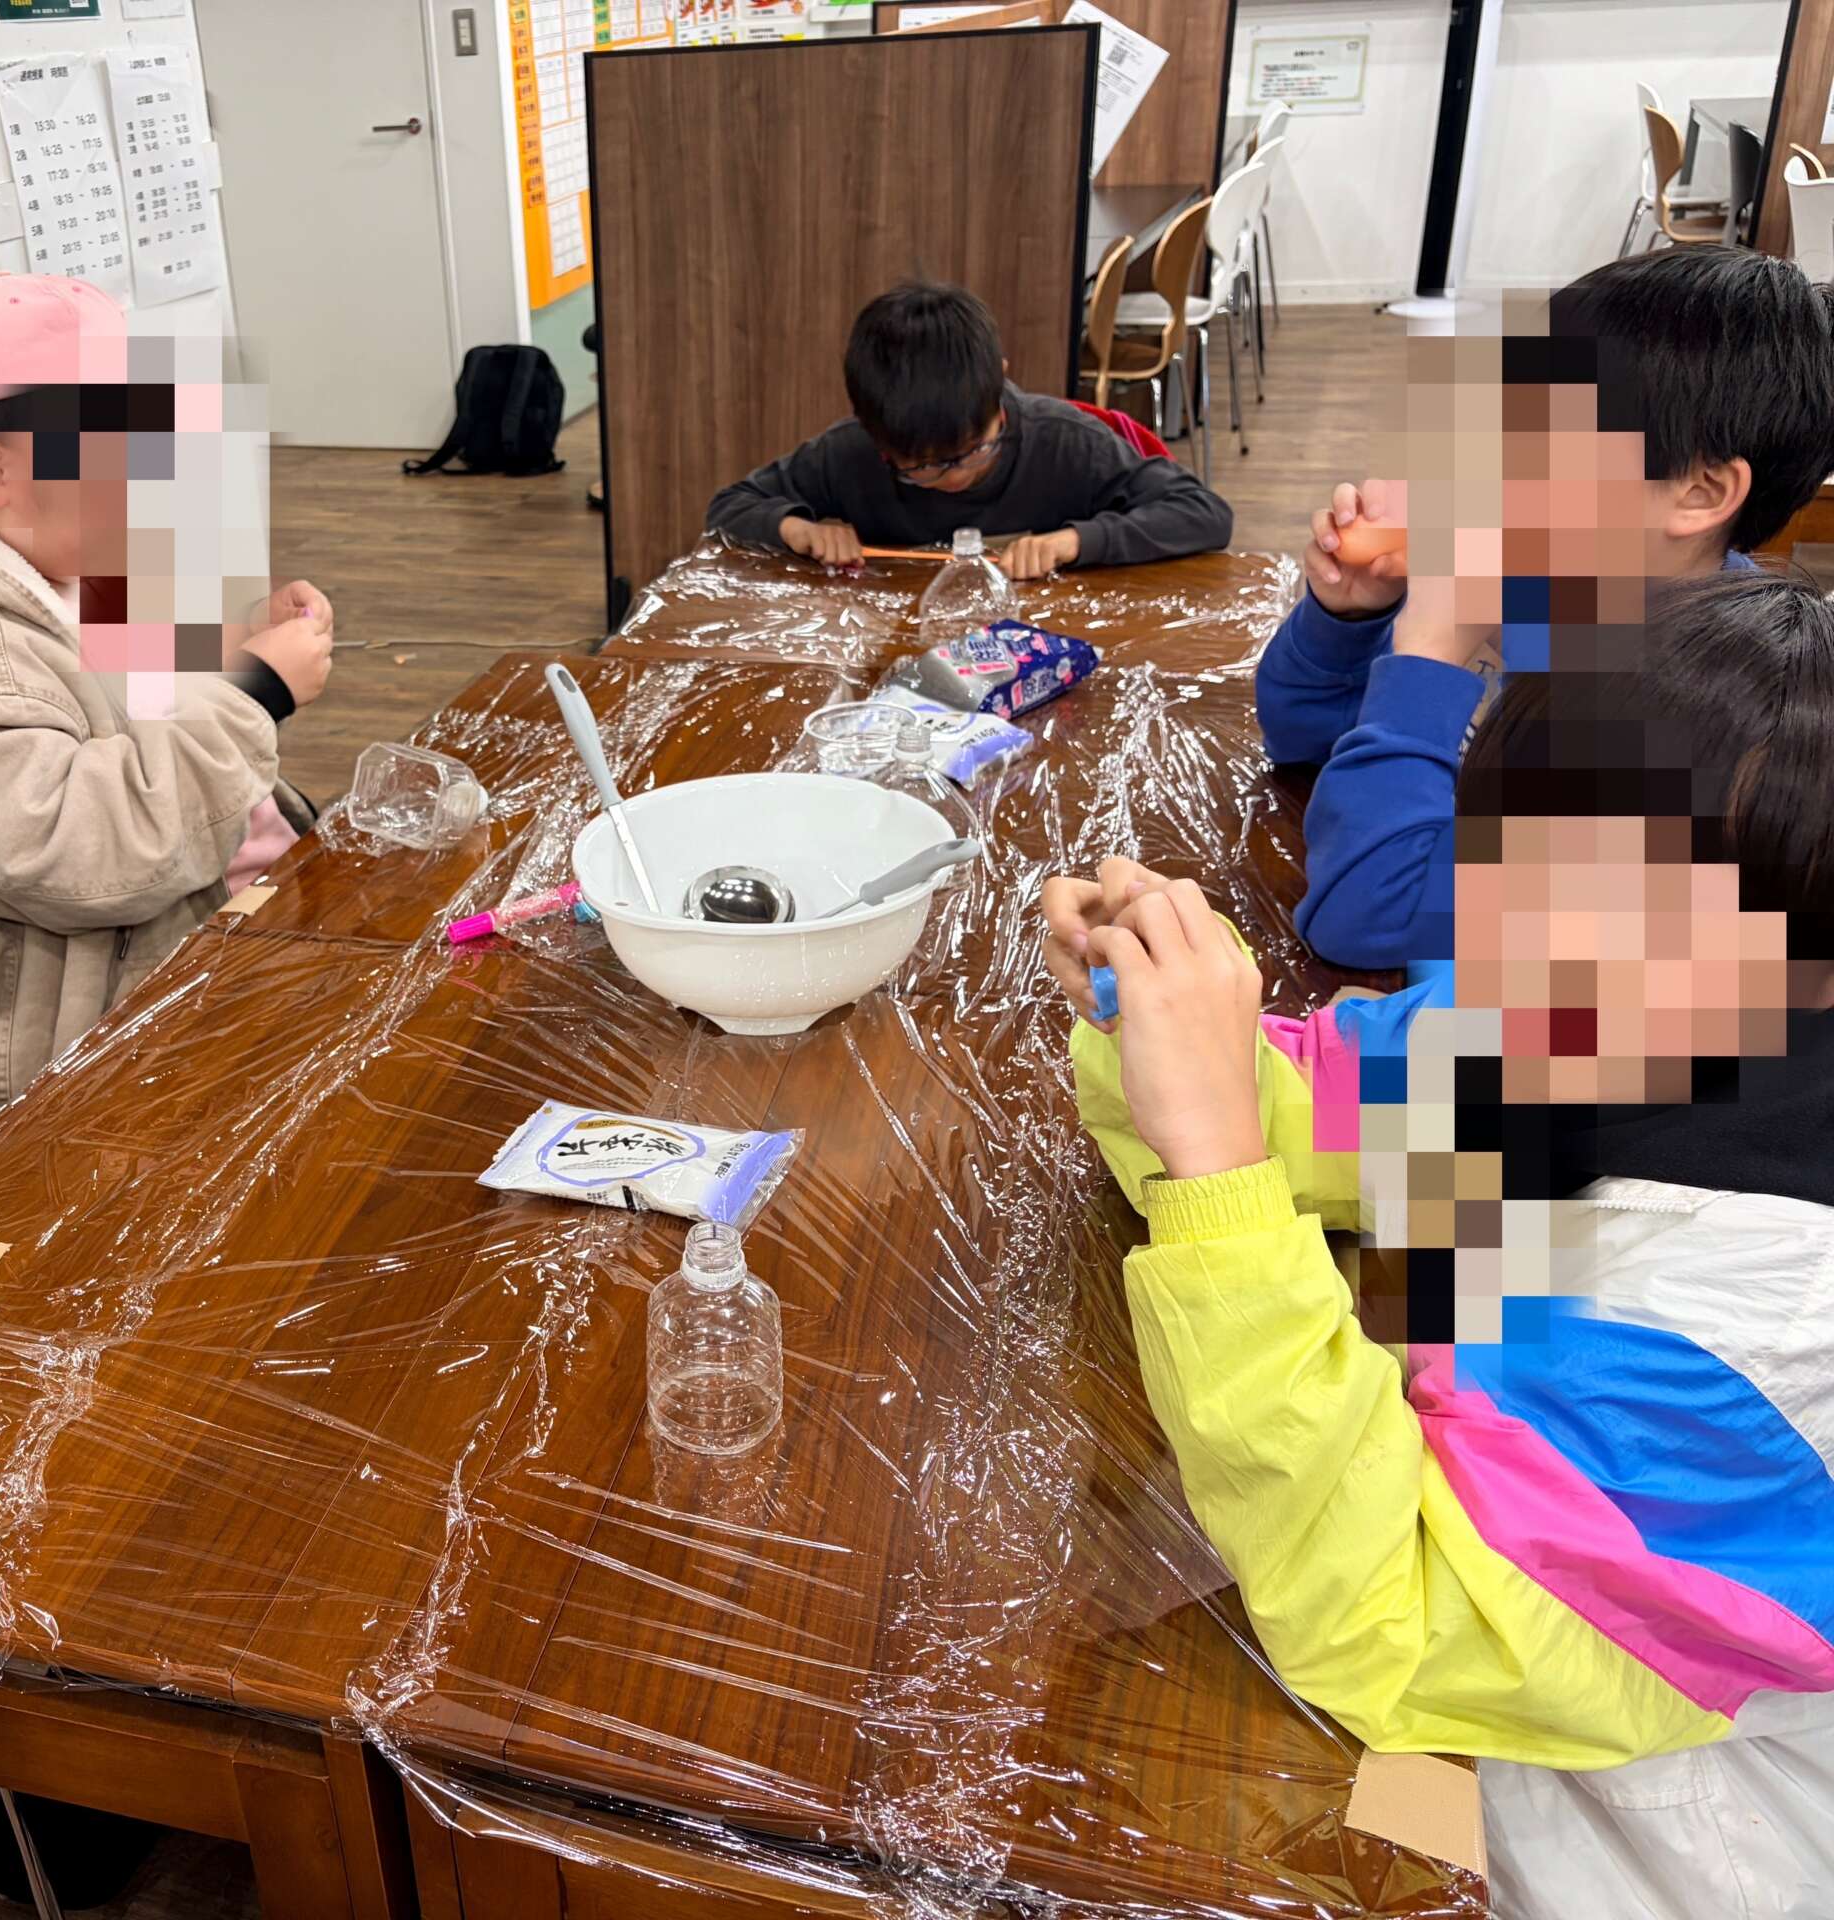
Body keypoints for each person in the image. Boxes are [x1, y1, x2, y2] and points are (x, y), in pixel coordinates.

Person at [1040, 571, 1834, 1920]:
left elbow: (1392, 1621)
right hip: (1492, 1649)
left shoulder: (1754, 1321)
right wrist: (1164, 1019)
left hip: (1646, 1832)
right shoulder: (1608, 1015)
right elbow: (1343, 1115)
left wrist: (1216, 1158)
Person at [0, 273, 330, 1113]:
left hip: (224, 925)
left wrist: (232, 644)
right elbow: (81, 857)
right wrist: (258, 690)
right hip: (94, 1043)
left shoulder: (59, 553)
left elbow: (142, 709)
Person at [1258, 247, 1834, 969]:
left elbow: (1365, 917)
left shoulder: (1704, 732)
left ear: (1700, 494)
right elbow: (1304, 741)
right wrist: (1348, 619)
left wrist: (1429, 658)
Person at [705, 279, 1234, 578]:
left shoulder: (1065, 442)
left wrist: (1076, 540)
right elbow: (728, 507)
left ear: (998, 385)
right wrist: (798, 528)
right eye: (922, 468)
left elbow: (1204, 513)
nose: (954, 476)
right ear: (876, 436)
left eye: (974, 450)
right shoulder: (849, 454)